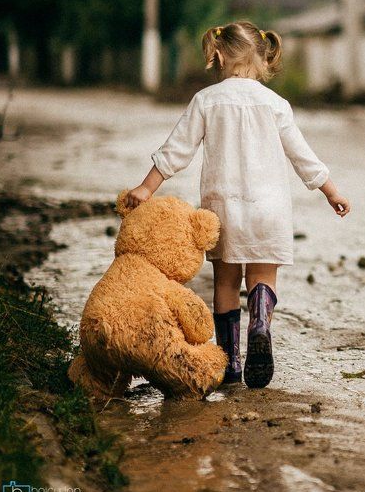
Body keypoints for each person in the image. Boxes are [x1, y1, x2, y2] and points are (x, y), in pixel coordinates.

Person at [125, 20, 350, 389]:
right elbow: (302, 156)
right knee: (262, 276)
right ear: (263, 57)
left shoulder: (206, 100)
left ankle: (229, 365)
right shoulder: (276, 104)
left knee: (227, 282)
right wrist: (331, 191)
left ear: (217, 56)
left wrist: (146, 188)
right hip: (269, 208)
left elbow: (176, 150)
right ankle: (260, 318)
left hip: (222, 209)